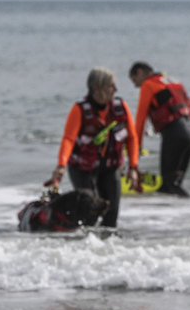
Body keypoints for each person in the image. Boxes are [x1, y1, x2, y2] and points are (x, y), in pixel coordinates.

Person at [45, 67, 141, 228]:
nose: (115, 89)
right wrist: (61, 166)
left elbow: (132, 138)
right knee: (89, 215)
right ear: (97, 88)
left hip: (110, 168)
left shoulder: (120, 107)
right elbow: (68, 139)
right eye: (111, 86)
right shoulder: (80, 109)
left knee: (111, 214)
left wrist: (133, 167)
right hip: (82, 169)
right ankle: (85, 248)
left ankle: (108, 250)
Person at [128, 61, 190, 197]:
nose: (136, 85)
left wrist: (135, 148)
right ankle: (183, 213)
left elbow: (141, 118)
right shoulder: (174, 82)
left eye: (135, 80)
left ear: (141, 72)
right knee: (174, 184)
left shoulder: (148, 85)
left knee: (168, 185)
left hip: (176, 134)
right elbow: (189, 105)